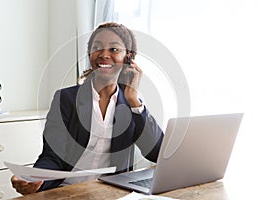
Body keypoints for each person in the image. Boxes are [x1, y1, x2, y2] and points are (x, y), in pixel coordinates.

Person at [11, 22, 164, 195]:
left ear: (128, 57)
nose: (104, 54)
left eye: (114, 49)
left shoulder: (132, 104)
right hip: (67, 191)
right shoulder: (66, 99)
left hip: (111, 193)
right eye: (97, 47)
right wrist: (34, 178)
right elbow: (52, 156)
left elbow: (156, 153)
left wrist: (133, 100)